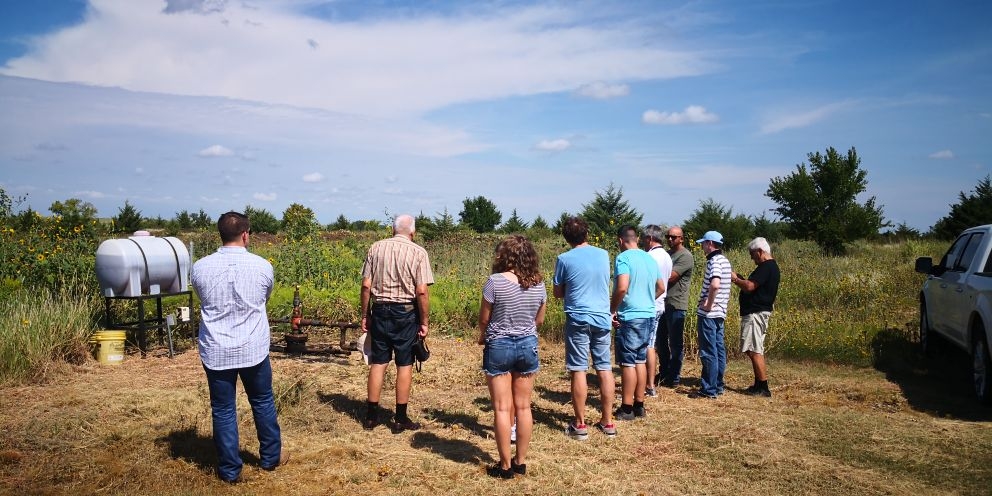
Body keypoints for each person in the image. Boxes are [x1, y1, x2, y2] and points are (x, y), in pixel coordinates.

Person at [191, 211, 287, 483]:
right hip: (252, 347)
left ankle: (230, 470)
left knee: (223, 409)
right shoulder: (262, 266)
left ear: (220, 234)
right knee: (262, 400)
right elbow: (265, 298)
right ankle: (270, 458)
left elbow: (201, 297)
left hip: (217, 348)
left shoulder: (200, 267)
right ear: (245, 234)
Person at [477, 235, 547, 479]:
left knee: (502, 408)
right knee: (524, 406)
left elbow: (484, 318)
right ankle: (520, 462)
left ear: (504, 256)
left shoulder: (494, 282)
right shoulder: (538, 283)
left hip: (499, 345)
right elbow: (539, 320)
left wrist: (482, 336)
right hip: (528, 345)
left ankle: (505, 465)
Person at [360, 214, 434, 432]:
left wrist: (365, 315)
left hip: (380, 310)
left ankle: (371, 417)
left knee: (379, 362)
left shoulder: (375, 248)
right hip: (406, 314)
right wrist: (424, 321)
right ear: (413, 232)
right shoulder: (419, 252)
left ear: (392, 230)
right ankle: (400, 418)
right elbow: (422, 291)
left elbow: (366, 286)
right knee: (404, 364)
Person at [553, 217, 617, 439]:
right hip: (602, 316)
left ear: (566, 238)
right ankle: (608, 421)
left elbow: (558, 293)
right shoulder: (603, 254)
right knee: (604, 367)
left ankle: (580, 424)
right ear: (587, 233)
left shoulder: (564, 259)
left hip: (578, 317)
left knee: (578, 369)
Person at [611, 225, 664, 420]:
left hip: (630, 316)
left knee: (627, 363)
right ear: (637, 239)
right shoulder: (649, 258)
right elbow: (661, 287)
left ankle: (626, 408)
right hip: (648, 315)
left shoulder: (623, 258)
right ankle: (639, 404)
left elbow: (622, 287)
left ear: (620, 240)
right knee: (640, 360)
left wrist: (612, 309)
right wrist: (648, 300)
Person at [730, 237, 780, 397]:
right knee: (754, 348)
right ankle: (759, 384)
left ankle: (763, 387)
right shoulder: (770, 267)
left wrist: (735, 279)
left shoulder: (766, 267)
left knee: (754, 349)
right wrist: (741, 279)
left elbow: (750, 286)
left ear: (760, 251)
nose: (752, 258)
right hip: (758, 313)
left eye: (752, 254)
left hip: (755, 314)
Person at [692, 231, 732, 399]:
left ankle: (709, 389)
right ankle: (718, 384)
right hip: (720, 312)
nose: (702, 246)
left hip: (709, 314)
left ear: (709, 243)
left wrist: (708, 304)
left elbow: (715, 284)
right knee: (718, 349)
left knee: (708, 351)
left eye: (703, 243)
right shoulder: (725, 260)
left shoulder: (714, 261)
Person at [658, 225, 693, 388]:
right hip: (663, 302)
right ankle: (664, 372)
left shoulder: (685, 256)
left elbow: (671, 277)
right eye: (668, 236)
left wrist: (651, 275)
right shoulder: (667, 254)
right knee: (660, 341)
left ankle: (674, 376)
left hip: (676, 303)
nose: (670, 239)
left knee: (675, 343)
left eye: (674, 237)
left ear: (681, 239)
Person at [639, 225, 672, 397]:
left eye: (644, 239)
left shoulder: (650, 256)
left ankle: (647, 385)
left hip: (649, 304)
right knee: (651, 344)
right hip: (660, 303)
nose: (643, 243)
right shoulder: (666, 256)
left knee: (646, 346)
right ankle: (648, 384)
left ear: (650, 239)